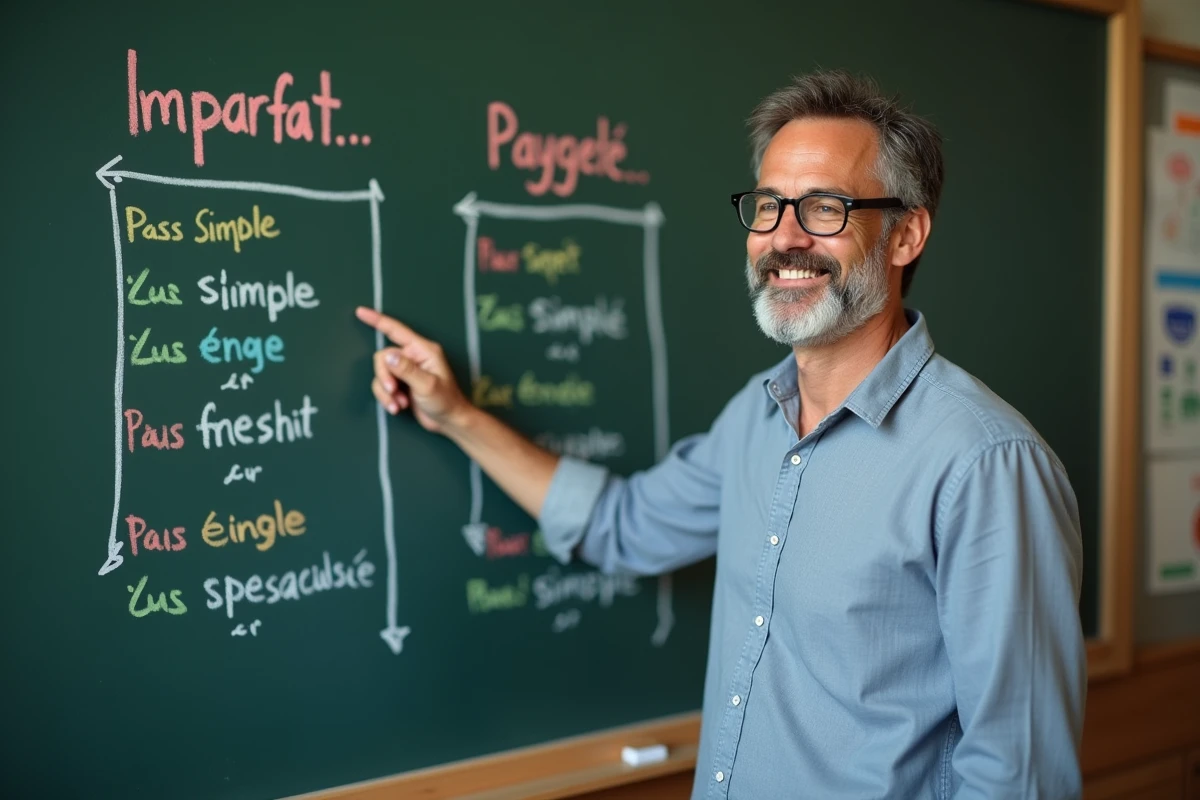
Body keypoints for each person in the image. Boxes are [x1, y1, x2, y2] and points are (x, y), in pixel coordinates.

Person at [356, 70, 1086, 799]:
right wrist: (456, 414)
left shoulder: (986, 464)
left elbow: (1020, 779)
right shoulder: (755, 417)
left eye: (824, 208)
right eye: (768, 206)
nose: (784, 238)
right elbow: (623, 526)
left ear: (906, 235)